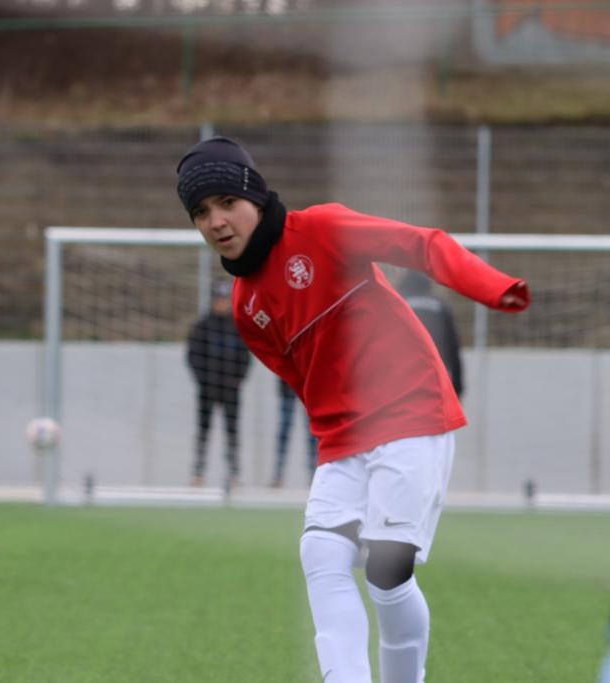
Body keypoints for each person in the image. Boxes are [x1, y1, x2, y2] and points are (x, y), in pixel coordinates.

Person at [176, 136, 529, 683]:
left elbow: (421, 244)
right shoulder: (246, 305)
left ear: (256, 196)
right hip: (342, 440)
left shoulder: (320, 228)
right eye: (201, 212)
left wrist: (493, 287)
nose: (216, 221)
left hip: (411, 415)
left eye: (226, 202)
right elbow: (299, 379)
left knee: (387, 569)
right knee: (320, 553)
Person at [185, 279, 251, 488]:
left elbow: (246, 356)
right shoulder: (203, 326)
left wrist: (237, 380)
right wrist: (203, 380)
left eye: (225, 299)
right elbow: (193, 356)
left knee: (232, 430)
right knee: (203, 430)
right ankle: (198, 472)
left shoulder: (237, 326)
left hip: (231, 389)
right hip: (208, 388)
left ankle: (234, 473)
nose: (222, 303)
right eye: (219, 299)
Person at [398, 269, 464, 397]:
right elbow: (453, 347)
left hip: (404, 380)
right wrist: (457, 386)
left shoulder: (397, 303)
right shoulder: (441, 306)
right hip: (436, 377)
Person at [269, 376, 317, 488]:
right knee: (284, 431)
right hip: (288, 386)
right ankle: (278, 475)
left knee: (312, 432)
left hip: (308, 386)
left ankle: (314, 474)